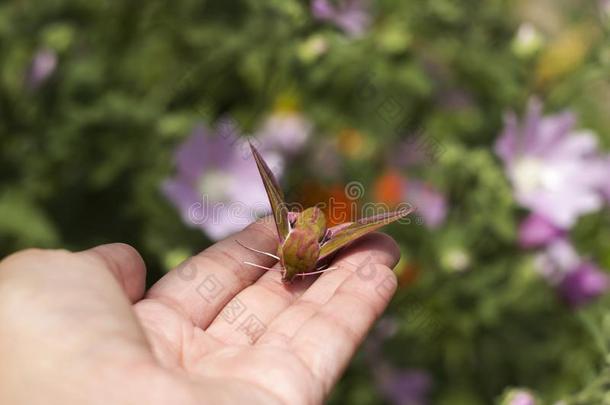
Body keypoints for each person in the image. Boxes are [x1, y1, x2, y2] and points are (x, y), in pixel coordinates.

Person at [0, 217, 400, 404]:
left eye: (293, 271)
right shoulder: (292, 253)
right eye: (285, 267)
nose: (286, 276)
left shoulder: (293, 244)